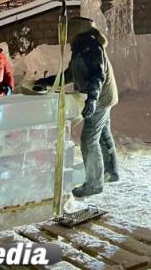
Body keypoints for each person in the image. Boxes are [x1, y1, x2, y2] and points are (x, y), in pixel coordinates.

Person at [35, 17, 119, 197]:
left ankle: (94, 184)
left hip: (100, 98)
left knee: (89, 141)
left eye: (68, 32)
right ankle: (111, 172)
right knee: (102, 134)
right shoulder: (83, 46)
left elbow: (97, 76)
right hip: (105, 95)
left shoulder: (89, 47)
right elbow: (71, 74)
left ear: (76, 32)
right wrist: (48, 82)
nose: (66, 36)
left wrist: (92, 100)